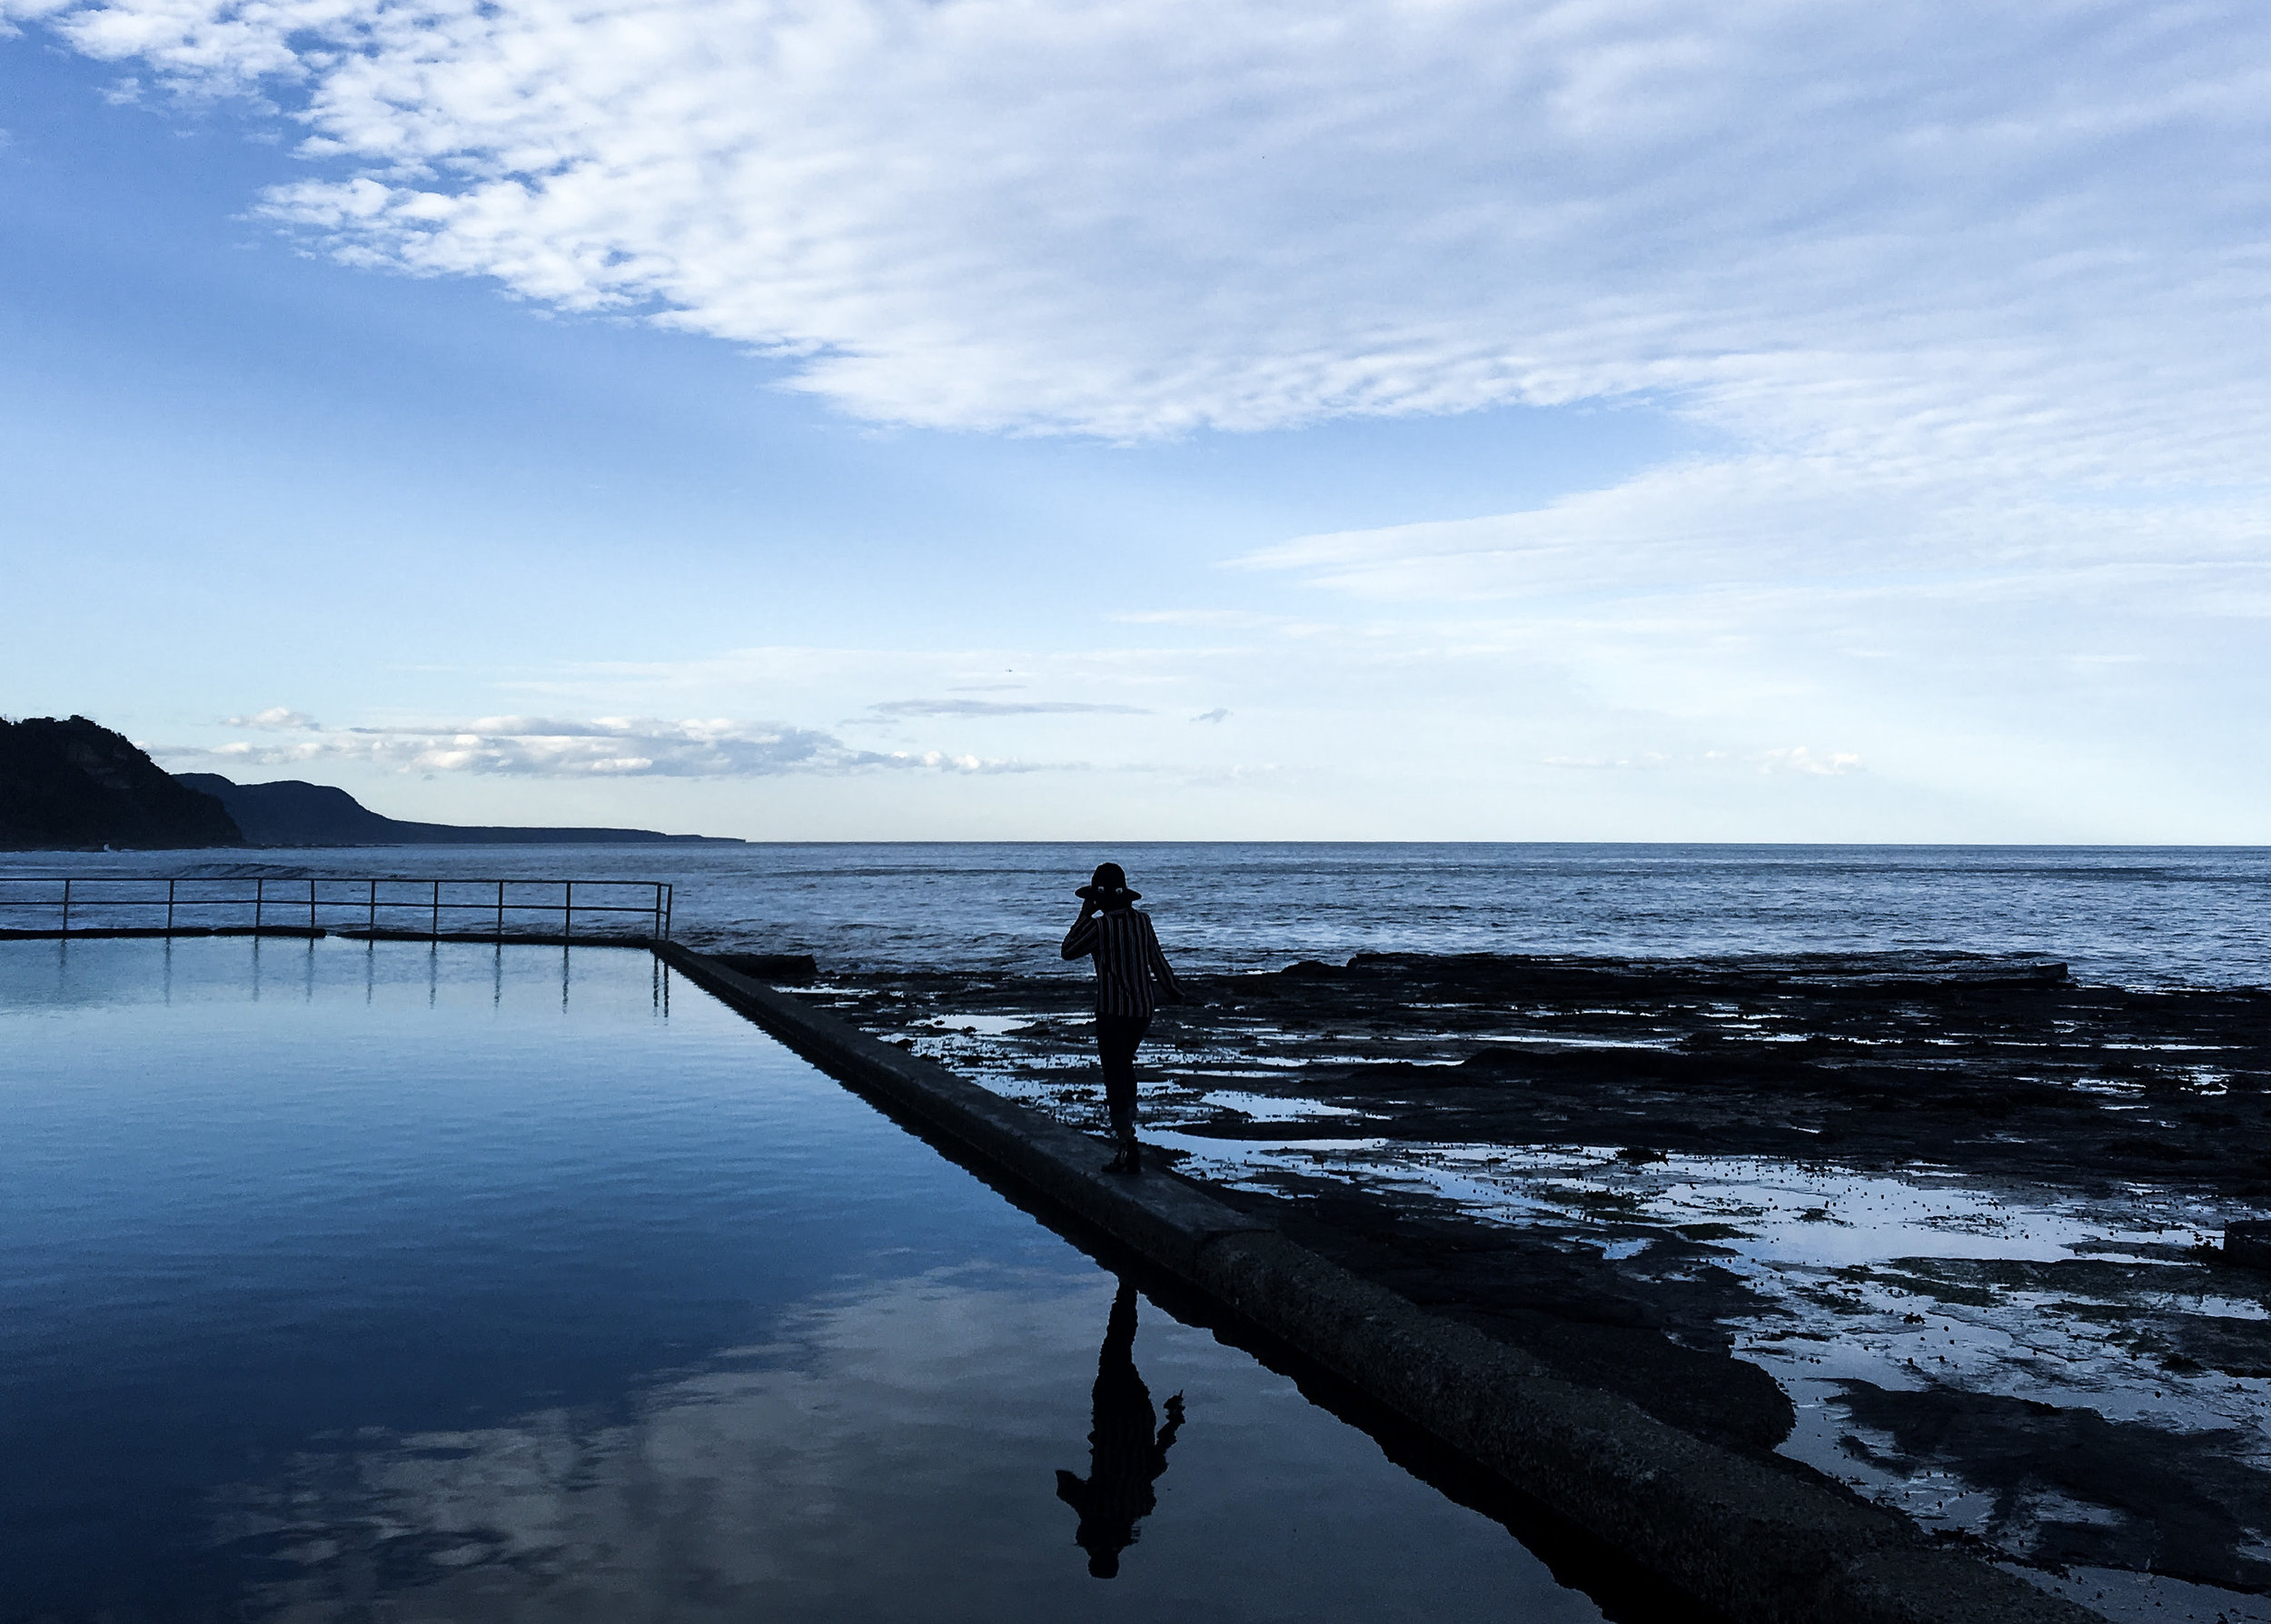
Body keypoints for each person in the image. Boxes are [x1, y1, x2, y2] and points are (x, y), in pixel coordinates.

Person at [1060, 861, 1184, 1175]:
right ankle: (1129, 1133)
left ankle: (1128, 1143)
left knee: (1115, 1073)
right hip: (1142, 1010)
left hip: (1112, 1011)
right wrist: (1175, 991)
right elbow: (1158, 961)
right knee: (1124, 1066)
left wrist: (1084, 914)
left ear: (1098, 899)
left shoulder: (1099, 927)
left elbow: (1068, 950)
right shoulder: (1143, 921)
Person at [1054, 1282, 1185, 1578]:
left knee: (1120, 1350)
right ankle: (1129, 1286)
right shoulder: (1095, 1509)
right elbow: (1063, 1482)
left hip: (1141, 1414)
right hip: (1112, 1412)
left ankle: (1128, 1289)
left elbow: (1158, 1455)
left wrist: (1174, 1419)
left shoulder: (1142, 1505)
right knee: (1116, 1348)